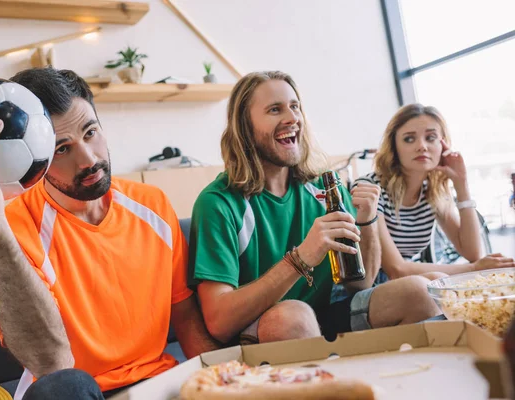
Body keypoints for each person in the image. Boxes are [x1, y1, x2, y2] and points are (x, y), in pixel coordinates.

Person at [0, 67, 219, 400]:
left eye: (90, 132)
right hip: (73, 391)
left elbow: (185, 314)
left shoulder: (152, 204)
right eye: (62, 149)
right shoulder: (10, 229)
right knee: (67, 386)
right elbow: (51, 363)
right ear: (37, 156)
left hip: (157, 385)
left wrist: (224, 377)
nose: (89, 160)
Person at [188, 71, 440, 346]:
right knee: (293, 317)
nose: (292, 118)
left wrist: (367, 222)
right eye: (275, 109)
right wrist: (301, 258)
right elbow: (220, 323)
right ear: (245, 127)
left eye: (295, 107)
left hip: (324, 317)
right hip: (265, 329)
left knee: (425, 290)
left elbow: (361, 284)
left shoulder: (324, 187)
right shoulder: (219, 203)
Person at [357, 103, 515, 283]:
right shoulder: (371, 188)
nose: (422, 146)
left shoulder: (432, 192)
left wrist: (461, 184)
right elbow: (396, 268)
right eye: (409, 139)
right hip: (367, 286)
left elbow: (472, 252)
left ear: (443, 145)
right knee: (436, 280)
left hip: (406, 284)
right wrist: (473, 269)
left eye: (431, 138)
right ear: (394, 146)